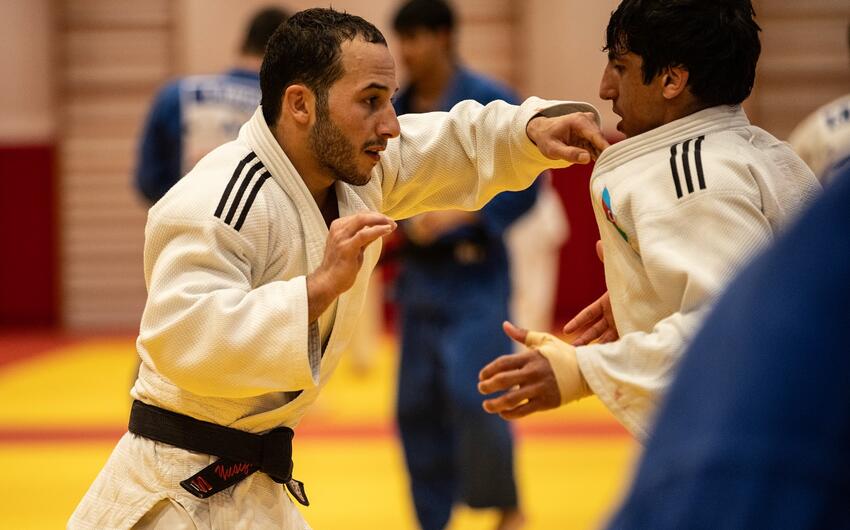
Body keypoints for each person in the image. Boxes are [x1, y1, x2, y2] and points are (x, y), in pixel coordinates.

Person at [69, 7, 608, 530]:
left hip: (250, 478)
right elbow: (182, 339)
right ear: (301, 104)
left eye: (390, 101)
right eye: (370, 102)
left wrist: (528, 131)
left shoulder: (352, 171)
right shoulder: (217, 201)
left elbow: (446, 143)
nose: (391, 125)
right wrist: (315, 290)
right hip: (179, 488)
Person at [478, 0, 821, 441]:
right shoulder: (757, 152)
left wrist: (581, 371)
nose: (604, 88)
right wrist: (647, 300)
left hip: (762, 448)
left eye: (619, 67)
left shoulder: (694, 177)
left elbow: (725, 331)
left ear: (672, 79)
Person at [606, 161, 850, 530]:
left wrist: (579, 369)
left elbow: (723, 325)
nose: (608, 97)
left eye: (617, 94)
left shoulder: (702, 176)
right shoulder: (784, 159)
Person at [389, 1, 532, 528]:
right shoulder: (394, 107)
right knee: (415, 407)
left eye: (417, 38)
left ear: (445, 37)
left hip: (475, 277)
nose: (407, 51)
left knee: (478, 396)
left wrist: (465, 214)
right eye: (401, 39)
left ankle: (506, 506)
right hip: (419, 278)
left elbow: (528, 185)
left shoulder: (491, 100)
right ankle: (432, 518)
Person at [135, 6, 289, 204]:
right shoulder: (285, 106)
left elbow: (149, 182)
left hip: (183, 221)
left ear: (241, 45)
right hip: (258, 228)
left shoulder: (174, 95)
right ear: (287, 59)